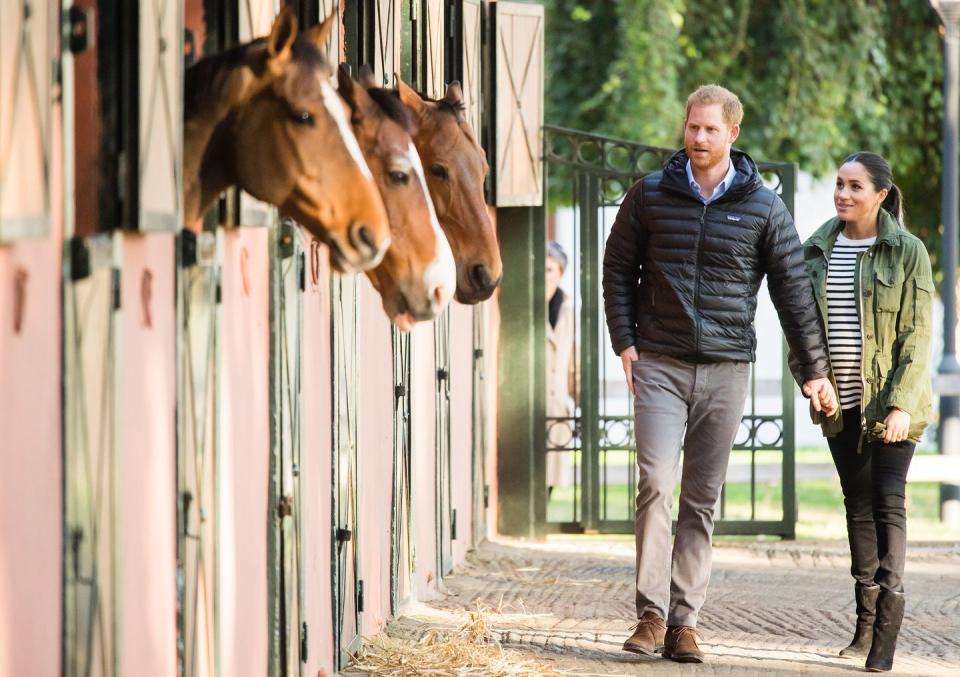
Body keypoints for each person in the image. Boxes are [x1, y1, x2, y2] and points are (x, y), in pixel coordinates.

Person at [602, 84, 838, 663]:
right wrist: (626, 344)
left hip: (728, 368)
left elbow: (793, 294)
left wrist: (813, 371)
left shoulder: (764, 207)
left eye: (710, 129)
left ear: (733, 133)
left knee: (701, 498)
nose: (699, 137)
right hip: (659, 361)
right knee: (656, 482)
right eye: (692, 127)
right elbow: (616, 269)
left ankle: (685, 622)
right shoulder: (650, 194)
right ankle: (650, 616)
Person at [796, 152, 932, 673]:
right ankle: (863, 623)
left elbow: (918, 336)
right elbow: (801, 328)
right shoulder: (816, 249)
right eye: (838, 184)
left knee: (888, 503)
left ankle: (886, 633)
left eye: (855, 186)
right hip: (841, 403)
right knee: (857, 506)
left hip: (892, 404)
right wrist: (813, 378)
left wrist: (900, 403)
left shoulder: (907, 251)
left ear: (880, 194)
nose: (843, 194)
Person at [545, 241, 576, 497]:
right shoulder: (524, 309)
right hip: (530, 406)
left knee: (552, 475)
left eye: (548, 269)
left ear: (560, 273)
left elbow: (575, 363)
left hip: (557, 405)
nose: (544, 276)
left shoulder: (568, 311)